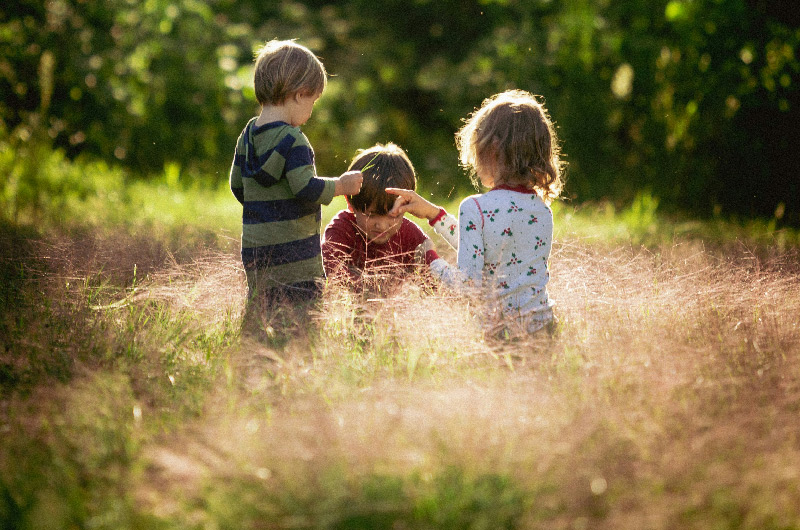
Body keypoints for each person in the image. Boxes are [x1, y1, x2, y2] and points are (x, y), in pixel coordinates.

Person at [387, 89, 565, 337]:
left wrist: (429, 259)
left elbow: (468, 287)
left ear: (491, 149)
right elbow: (491, 247)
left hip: (501, 338)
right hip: (544, 331)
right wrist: (434, 215)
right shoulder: (541, 210)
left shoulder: (476, 208)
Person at [229, 39, 363, 318]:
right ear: (300, 94)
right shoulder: (294, 140)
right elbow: (305, 188)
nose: (310, 112)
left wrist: (264, 208)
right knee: (302, 318)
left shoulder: (248, 136)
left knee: (262, 312)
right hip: (295, 255)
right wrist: (341, 186)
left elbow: (237, 185)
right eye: (313, 102)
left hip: (257, 250)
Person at [321, 143, 440, 290]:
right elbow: (334, 277)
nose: (382, 225)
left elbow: (435, 284)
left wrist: (428, 254)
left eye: (393, 216)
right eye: (371, 215)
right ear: (351, 203)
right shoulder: (341, 231)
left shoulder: (410, 236)